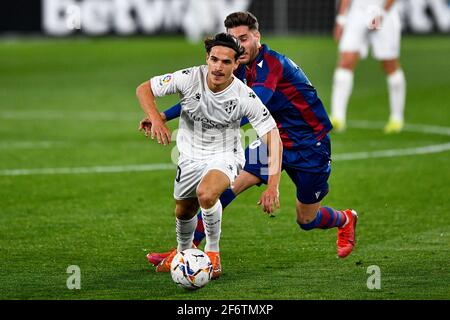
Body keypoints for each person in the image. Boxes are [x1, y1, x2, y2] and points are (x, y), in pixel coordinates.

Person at [145, 11, 358, 268]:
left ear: (257, 36)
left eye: (244, 38)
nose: (239, 45)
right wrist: (162, 115)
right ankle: (185, 254)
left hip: (309, 145)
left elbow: (243, 108)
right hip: (271, 140)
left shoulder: (273, 66)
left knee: (306, 220)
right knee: (218, 191)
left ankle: (345, 219)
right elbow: (206, 99)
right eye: (234, 40)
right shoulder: (238, 66)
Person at [136, 32, 282, 279]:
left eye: (226, 62)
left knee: (207, 193)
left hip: (225, 154)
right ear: (207, 58)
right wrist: (156, 119)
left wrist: (274, 185)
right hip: (189, 156)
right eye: (214, 59)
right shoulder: (189, 77)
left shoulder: (243, 95)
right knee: (184, 211)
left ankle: (213, 253)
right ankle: (184, 254)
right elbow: (144, 89)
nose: (218, 67)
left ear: (236, 64)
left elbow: (273, 136)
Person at [330, 0, 406, 133]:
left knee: (390, 65)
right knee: (345, 61)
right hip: (357, 11)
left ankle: (396, 118)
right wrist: (341, 18)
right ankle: (337, 117)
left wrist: (381, 13)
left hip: (384, 12)